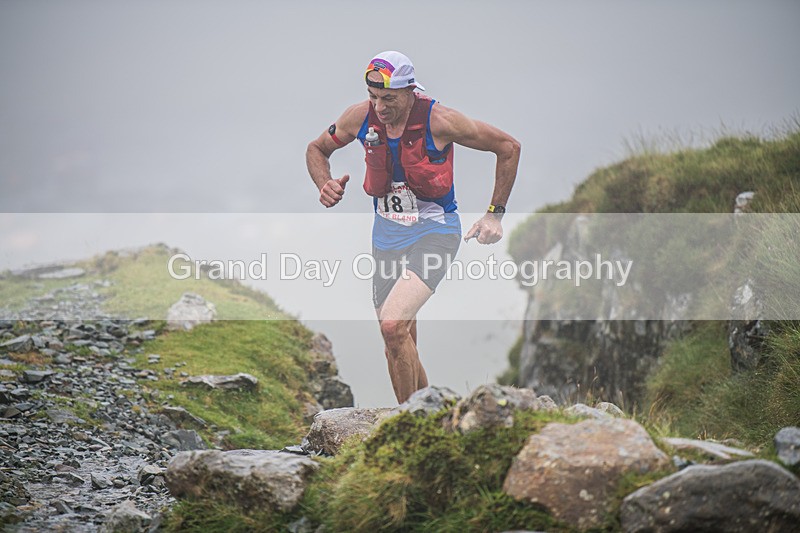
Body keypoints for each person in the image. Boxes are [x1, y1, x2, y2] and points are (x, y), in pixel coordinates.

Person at [306, 51, 521, 403]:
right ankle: (426, 419)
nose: (380, 106)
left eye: (389, 98)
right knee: (398, 341)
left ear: (410, 91)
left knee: (392, 326)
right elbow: (317, 149)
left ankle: (406, 427)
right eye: (374, 97)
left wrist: (494, 214)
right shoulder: (360, 116)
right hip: (387, 239)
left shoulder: (441, 121)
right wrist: (323, 183)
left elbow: (508, 147)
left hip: (434, 233)